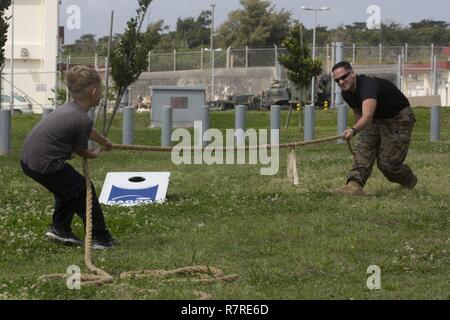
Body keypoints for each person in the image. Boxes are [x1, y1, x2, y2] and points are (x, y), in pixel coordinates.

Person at [20, 66, 117, 249]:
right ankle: (100, 237)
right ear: (94, 92)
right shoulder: (81, 118)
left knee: (67, 189)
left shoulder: (71, 110)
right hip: (45, 164)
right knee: (82, 190)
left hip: (30, 160)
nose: (102, 93)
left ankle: (60, 228)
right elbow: (81, 150)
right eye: (101, 90)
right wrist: (95, 153)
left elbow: (88, 131)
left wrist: (104, 141)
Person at [332, 61, 417, 195]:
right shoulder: (347, 92)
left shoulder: (368, 86)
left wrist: (353, 130)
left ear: (352, 73)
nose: (341, 82)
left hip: (398, 118)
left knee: (388, 165)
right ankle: (354, 186)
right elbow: (359, 114)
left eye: (344, 77)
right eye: (337, 80)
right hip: (375, 118)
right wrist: (359, 131)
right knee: (363, 149)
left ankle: (409, 180)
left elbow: (367, 116)